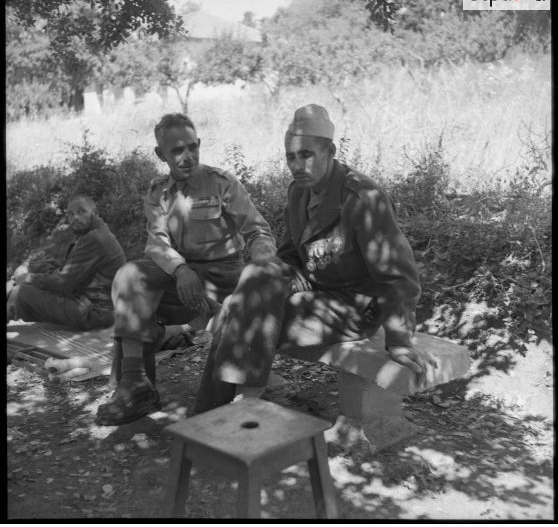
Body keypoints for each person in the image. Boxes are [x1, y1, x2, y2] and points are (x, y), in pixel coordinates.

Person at [194, 104, 435, 414]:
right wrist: (265, 285)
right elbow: (292, 254)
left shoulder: (362, 198)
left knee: (239, 316)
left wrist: (399, 338)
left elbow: (398, 276)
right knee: (248, 290)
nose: (297, 165)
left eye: (306, 155)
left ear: (330, 151)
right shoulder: (299, 191)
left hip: (353, 306)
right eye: (291, 157)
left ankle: (232, 409)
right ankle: (233, 408)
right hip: (313, 291)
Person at [96, 113, 277, 425]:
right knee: (129, 278)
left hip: (225, 279)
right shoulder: (158, 193)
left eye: (192, 147)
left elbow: (258, 232)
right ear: (160, 155)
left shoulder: (223, 184)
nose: (187, 156)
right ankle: (136, 384)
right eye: (177, 151)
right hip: (184, 278)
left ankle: (221, 405)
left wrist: (261, 268)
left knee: (228, 308)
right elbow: (157, 243)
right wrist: (181, 271)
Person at [7, 195, 126, 330]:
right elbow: (67, 265)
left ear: (95, 213)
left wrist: (28, 278)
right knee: (14, 284)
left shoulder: (95, 238)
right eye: (70, 214)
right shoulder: (91, 233)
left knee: (21, 293)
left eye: (81, 212)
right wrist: (29, 266)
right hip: (85, 301)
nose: (75, 217)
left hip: (95, 313)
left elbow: (62, 281)